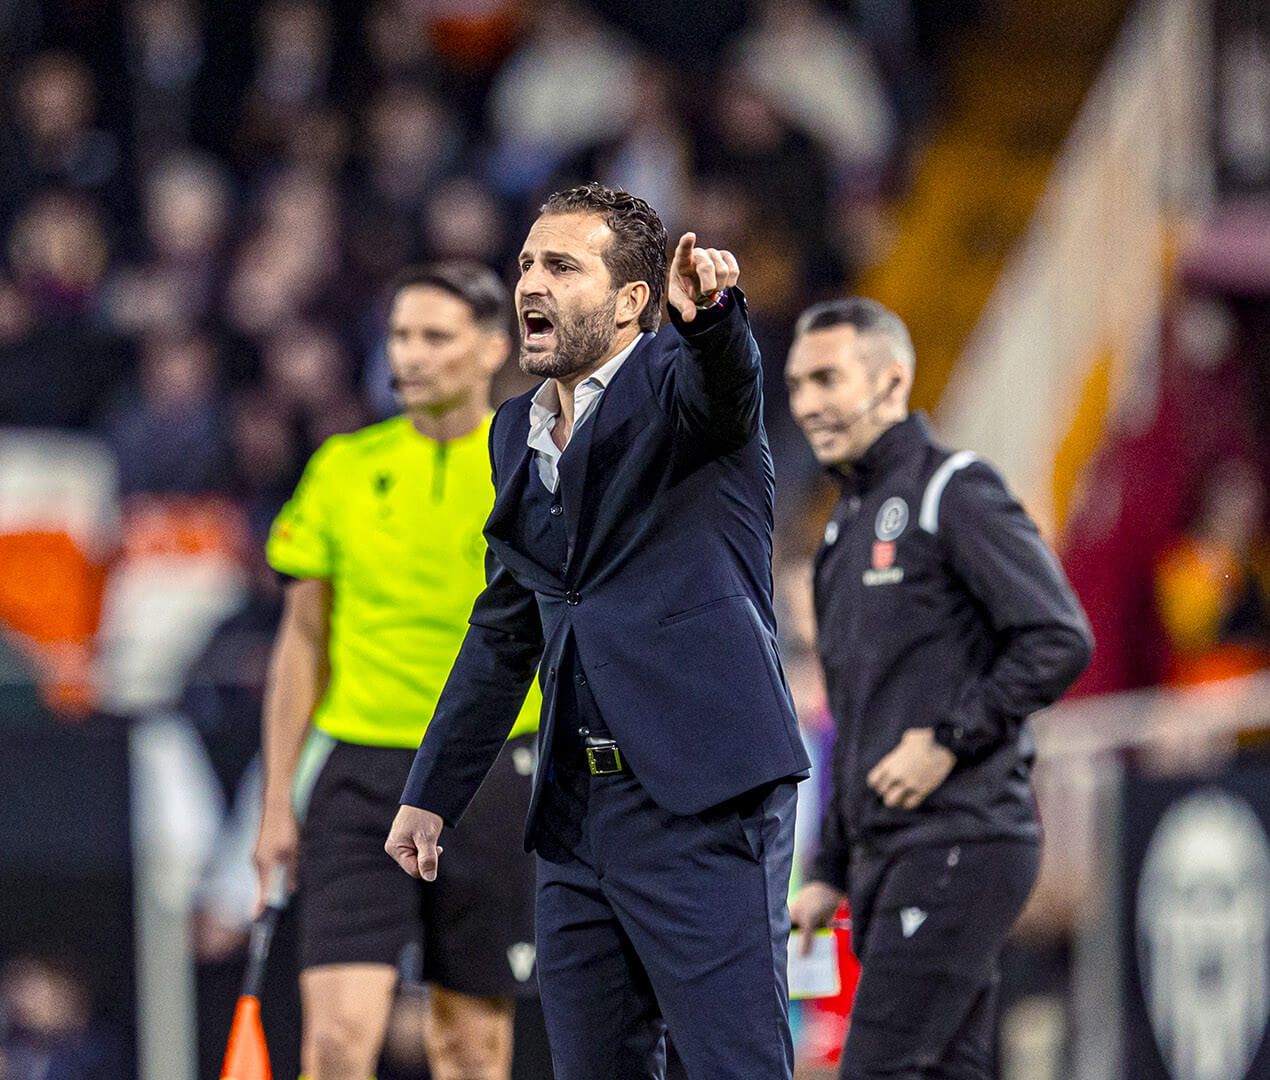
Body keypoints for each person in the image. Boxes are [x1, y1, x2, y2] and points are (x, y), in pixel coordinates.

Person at [385, 183, 809, 1079]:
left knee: (735, 1067)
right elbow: (507, 625)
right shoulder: (515, 432)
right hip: (579, 818)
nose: (532, 282)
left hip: (703, 799)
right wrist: (434, 792)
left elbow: (727, 387)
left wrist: (715, 318)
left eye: (563, 266)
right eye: (527, 264)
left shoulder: (677, 382)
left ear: (630, 303)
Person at [783, 298, 1092, 1080]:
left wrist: (948, 740)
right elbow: (857, 716)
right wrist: (827, 869)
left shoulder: (952, 488)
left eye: (827, 378)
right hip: (891, 852)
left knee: (879, 1070)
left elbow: (1059, 637)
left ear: (893, 382)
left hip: (962, 838)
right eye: (796, 385)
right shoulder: (839, 530)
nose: (808, 403)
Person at [252, 262, 542, 1080]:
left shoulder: (535, 464)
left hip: (491, 773)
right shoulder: (341, 467)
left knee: (472, 1048)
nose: (409, 356)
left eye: (434, 337)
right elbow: (300, 643)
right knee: (338, 1045)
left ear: (492, 348)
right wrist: (278, 802)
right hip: (361, 773)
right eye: (400, 336)